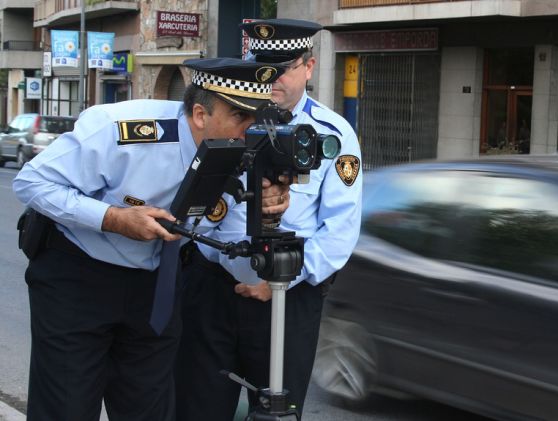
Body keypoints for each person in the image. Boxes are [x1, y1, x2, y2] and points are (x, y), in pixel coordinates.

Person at [13, 57, 291, 421]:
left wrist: (266, 218)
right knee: (66, 406)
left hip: (158, 285)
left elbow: (234, 252)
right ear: (200, 115)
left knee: (149, 410)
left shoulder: (244, 155)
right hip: (78, 278)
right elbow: (31, 183)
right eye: (241, 117)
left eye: (258, 119)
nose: (251, 130)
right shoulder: (121, 130)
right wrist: (113, 219)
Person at [175, 18, 363, 420]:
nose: (271, 78)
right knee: (196, 407)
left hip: (287, 295)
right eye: (263, 66)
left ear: (308, 68)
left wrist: (281, 280)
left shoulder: (332, 134)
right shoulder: (228, 115)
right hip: (212, 287)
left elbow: (340, 229)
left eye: (284, 68)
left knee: (276, 410)